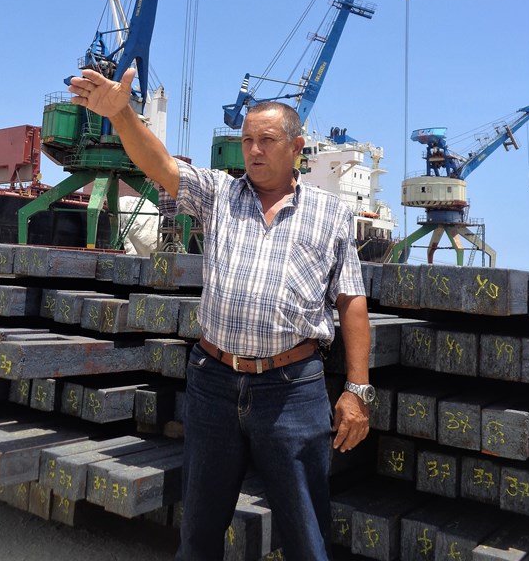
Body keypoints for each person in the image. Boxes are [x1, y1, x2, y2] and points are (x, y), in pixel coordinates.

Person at [69, 67, 372, 561]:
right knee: (199, 532)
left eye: (267, 140)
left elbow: (351, 301)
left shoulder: (331, 213)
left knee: (306, 533)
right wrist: (121, 114)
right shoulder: (220, 195)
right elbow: (161, 165)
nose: (253, 149)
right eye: (247, 139)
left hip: (292, 390)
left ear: (297, 148)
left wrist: (357, 390)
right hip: (214, 383)